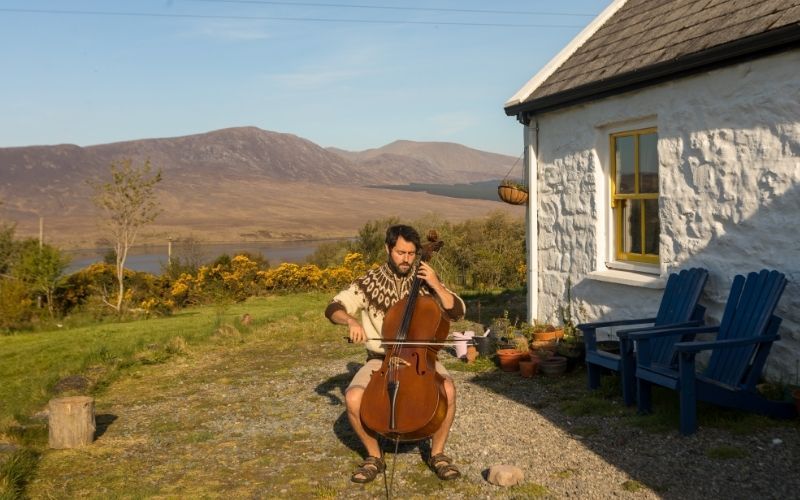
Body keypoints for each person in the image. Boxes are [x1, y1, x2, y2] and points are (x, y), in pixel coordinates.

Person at [325, 224, 466, 484]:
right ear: (388, 249)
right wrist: (351, 321)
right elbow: (334, 306)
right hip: (382, 359)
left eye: (412, 253)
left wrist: (436, 285)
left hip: (421, 358)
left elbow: (456, 311)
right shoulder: (368, 282)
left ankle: (438, 454)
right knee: (354, 397)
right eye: (401, 252)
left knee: (448, 390)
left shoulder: (426, 279)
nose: (407, 259)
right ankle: (374, 456)